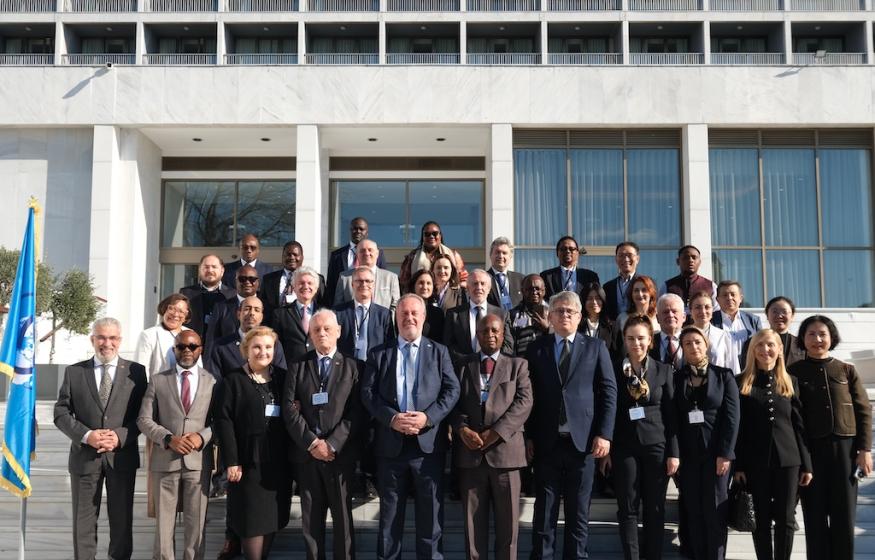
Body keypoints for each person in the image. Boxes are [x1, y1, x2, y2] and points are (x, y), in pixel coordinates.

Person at [360, 294, 461, 560]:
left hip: (428, 448)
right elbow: (368, 393)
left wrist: (428, 418)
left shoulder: (439, 352)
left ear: (424, 317)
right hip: (390, 447)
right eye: (404, 313)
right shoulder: (379, 353)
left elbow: (452, 390)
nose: (409, 318)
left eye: (415, 313)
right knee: (389, 518)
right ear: (396, 318)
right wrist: (391, 418)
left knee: (431, 518)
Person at [525, 290, 617, 559]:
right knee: (544, 512)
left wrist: (604, 434)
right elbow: (528, 396)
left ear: (579, 316)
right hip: (546, 443)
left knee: (578, 513)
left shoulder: (596, 347)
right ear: (550, 316)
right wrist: (528, 435)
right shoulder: (536, 348)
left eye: (570, 311)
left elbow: (609, 392)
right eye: (559, 311)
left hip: (584, 444)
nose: (564, 315)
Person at [53, 317, 147, 560]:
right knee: (83, 522)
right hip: (85, 458)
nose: (107, 343)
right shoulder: (74, 372)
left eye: (112, 338)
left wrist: (119, 436)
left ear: (120, 340)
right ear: (92, 339)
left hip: (121, 457)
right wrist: (87, 435)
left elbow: (143, 415)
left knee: (122, 520)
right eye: (101, 338)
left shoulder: (137, 372)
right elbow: (61, 413)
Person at [205, 295, 285, 558]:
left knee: (272, 519)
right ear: (247, 350)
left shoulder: (283, 379)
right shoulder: (233, 380)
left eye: (268, 347)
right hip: (246, 466)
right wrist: (232, 461)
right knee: (251, 522)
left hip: (277, 465)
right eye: (257, 347)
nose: (263, 352)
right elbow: (224, 421)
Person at [283, 309, 365, 560]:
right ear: (310, 334)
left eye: (327, 329)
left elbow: (358, 412)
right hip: (307, 456)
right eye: (316, 329)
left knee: (343, 520)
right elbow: (288, 408)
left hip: (340, 456)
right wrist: (312, 443)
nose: (322, 333)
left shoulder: (354, 367)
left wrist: (332, 444)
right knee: (311, 521)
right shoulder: (297, 365)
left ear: (338, 331)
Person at [789, 315, 872, 560]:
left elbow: (863, 411)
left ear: (832, 337)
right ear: (803, 339)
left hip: (845, 451)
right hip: (810, 452)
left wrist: (864, 450)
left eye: (822, 334)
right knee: (814, 516)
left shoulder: (846, 369)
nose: (817, 339)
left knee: (844, 517)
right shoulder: (793, 372)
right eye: (811, 334)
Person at [451, 314, 532, 560]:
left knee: (508, 531)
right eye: (485, 331)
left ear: (503, 334)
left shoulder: (518, 365)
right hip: (471, 456)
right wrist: (462, 429)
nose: (490, 335)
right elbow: (452, 402)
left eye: (495, 331)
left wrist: (495, 433)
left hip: (506, 457)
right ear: (477, 335)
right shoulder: (462, 365)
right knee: (473, 530)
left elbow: (524, 403)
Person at [600, 314, 678, 560]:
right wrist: (607, 448)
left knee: (654, 507)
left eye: (641, 338)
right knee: (628, 507)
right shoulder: (613, 369)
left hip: (657, 446)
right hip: (624, 446)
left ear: (650, 340)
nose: (636, 343)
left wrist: (674, 453)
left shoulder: (664, 370)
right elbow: (607, 408)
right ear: (624, 340)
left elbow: (672, 415)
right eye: (631, 338)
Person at [137, 330, 217, 560]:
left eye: (192, 346)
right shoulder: (158, 380)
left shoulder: (212, 381)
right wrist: (167, 438)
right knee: (164, 526)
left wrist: (202, 437)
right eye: (181, 347)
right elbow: (143, 419)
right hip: (165, 461)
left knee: (196, 525)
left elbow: (220, 421)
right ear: (174, 350)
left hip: (198, 462)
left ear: (200, 349)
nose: (187, 351)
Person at [735, 329, 812, 560]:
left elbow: (799, 426)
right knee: (760, 517)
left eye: (770, 345)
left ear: (779, 349)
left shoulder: (791, 382)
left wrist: (807, 465)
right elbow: (738, 429)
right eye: (759, 345)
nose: (765, 350)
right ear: (752, 350)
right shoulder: (740, 382)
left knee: (786, 518)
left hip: (789, 461)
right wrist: (739, 465)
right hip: (755, 462)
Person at [673, 326, 739, 560]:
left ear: (706, 345)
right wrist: (675, 454)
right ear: (682, 348)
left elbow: (732, 417)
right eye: (688, 343)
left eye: (697, 342)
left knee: (715, 510)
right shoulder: (677, 378)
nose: (693, 347)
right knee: (693, 509)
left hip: (716, 454)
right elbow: (674, 419)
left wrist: (726, 453)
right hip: (688, 455)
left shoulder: (724, 376)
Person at [443, 269, 512, 365]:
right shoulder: (453, 314)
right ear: (468, 288)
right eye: (475, 283)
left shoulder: (502, 314)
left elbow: (508, 345)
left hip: (494, 368)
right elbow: (448, 345)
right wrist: (469, 362)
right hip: (463, 368)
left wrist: (491, 361)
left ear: (489, 289)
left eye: (482, 284)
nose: (479, 287)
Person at [335, 267, 394, 361]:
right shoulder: (338, 312)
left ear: (373, 285)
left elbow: (389, 345)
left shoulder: (384, 314)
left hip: (375, 366)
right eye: (359, 281)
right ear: (352, 284)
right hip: (346, 366)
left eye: (368, 281)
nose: (364, 284)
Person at [260, 240, 328, 318]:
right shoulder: (268, 279)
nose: (292, 258)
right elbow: (262, 305)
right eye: (288, 255)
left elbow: (323, 306)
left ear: (302, 257)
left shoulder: (316, 279)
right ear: (282, 257)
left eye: (295, 255)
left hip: (306, 323)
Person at [134, 293, 194, 379]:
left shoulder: (191, 334)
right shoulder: (148, 335)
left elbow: (198, 367)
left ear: (186, 315)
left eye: (181, 311)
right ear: (164, 309)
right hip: (158, 386)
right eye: (172, 309)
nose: (175, 314)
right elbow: (140, 371)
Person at [327, 216, 386, 301]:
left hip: (371, 301)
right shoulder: (337, 255)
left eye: (361, 229)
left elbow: (382, 278)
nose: (358, 231)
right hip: (345, 303)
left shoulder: (377, 253)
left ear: (367, 233)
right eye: (355, 229)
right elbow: (331, 284)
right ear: (350, 231)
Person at [399, 221, 468, 293]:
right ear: (423, 237)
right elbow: (403, 283)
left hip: (448, 298)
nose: (431, 236)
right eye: (427, 234)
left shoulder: (453, 255)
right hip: (421, 297)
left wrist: (456, 293)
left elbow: (464, 279)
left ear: (440, 236)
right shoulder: (412, 256)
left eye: (435, 233)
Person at [334, 239, 400, 313]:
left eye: (370, 250)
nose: (366, 253)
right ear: (357, 254)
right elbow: (338, 306)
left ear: (377, 253)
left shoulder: (391, 278)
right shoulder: (345, 278)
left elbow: (395, 306)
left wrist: (387, 319)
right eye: (362, 250)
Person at [206, 264, 261, 353]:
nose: (247, 282)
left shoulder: (268, 307)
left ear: (258, 282)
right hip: (227, 359)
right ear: (236, 281)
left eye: (252, 279)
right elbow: (211, 341)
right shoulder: (221, 308)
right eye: (242, 279)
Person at [272, 266, 320, 365]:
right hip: (291, 368)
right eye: (301, 283)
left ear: (316, 288)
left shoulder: (325, 314)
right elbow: (276, 346)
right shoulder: (280, 314)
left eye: (310, 283)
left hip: (318, 367)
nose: (305, 286)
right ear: (294, 287)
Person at [181, 254, 236, 339]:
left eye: (214, 267)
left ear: (222, 271)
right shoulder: (186, 293)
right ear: (200, 270)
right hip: (194, 343)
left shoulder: (232, 294)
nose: (210, 270)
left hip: (222, 343)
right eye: (206, 267)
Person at [741, 296, 804, 368]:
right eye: (775, 312)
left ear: (792, 316)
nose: (779, 316)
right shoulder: (753, 342)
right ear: (767, 316)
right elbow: (746, 368)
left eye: (784, 312)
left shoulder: (801, 344)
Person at [689, 291, 740, 374]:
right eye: (698, 307)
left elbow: (734, 369)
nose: (703, 311)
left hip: (718, 381)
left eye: (707, 307)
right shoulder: (682, 336)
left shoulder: (724, 336)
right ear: (690, 311)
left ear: (712, 310)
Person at [712, 280, 762, 365]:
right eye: (725, 295)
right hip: (720, 369)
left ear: (740, 298)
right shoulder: (711, 320)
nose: (729, 298)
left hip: (748, 370)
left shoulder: (753, 320)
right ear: (717, 300)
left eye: (733, 294)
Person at [659, 245, 718, 314]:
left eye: (694, 257)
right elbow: (661, 310)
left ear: (699, 262)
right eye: (686, 257)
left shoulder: (711, 286)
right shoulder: (667, 286)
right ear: (678, 261)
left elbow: (716, 311)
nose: (690, 260)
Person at [539, 236, 600, 301]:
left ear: (577, 253)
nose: (568, 251)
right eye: (563, 249)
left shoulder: (590, 276)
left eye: (571, 249)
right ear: (557, 253)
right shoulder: (546, 276)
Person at [507, 274, 550, 357]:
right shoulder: (512, 315)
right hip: (523, 361)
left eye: (537, 289)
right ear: (522, 291)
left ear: (544, 290)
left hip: (546, 360)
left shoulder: (554, 312)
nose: (534, 292)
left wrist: (547, 329)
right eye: (530, 289)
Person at [603, 242, 641, 321]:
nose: (626, 259)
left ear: (637, 259)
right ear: (616, 259)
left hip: (637, 325)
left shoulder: (645, 284)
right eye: (621, 255)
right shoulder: (608, 287)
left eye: (630, 255)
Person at [485, 236, 524, 311]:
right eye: (497, 252)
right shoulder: (483, 279)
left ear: (510, 256)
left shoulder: (521, 279)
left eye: (504, 253)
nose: (500, 256)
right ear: (490, 255)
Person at [579, 284, 617, 358]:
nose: (594, 302)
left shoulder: (612, 326)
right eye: (589, 298)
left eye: (598, 298)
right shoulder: (577, 325)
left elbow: (616, 355)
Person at [409, 269, 445, 343]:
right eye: (421, 283)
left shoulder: (438, 313)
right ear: (413, 286)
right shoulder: (406, 310)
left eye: (429, 283)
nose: (425, 287)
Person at [649, 293, 685, 368]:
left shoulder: (693, 340)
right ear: (657, 318)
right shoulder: (649, 342)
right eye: (665, 312)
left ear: (684, 317)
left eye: (674, 311)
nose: (670, 315)